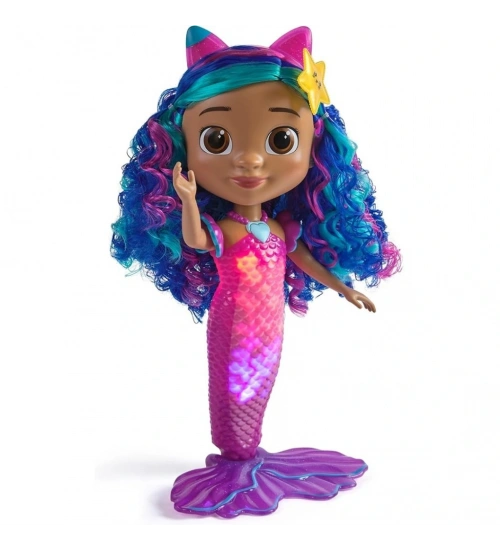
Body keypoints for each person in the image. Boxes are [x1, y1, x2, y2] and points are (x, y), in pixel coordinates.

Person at [111, 25, 401, 517]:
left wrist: (343, 288)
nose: (249, 159)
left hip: (269, 328)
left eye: (281, 139)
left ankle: (249, 454)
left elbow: (302, 257)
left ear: (315, 147)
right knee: (234, 391)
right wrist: (187, 199)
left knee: (260, 387)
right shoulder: (226, 227)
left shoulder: (279, 227)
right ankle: (235, 458)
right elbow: (196, 240)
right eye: (217, 139)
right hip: (234, 326)